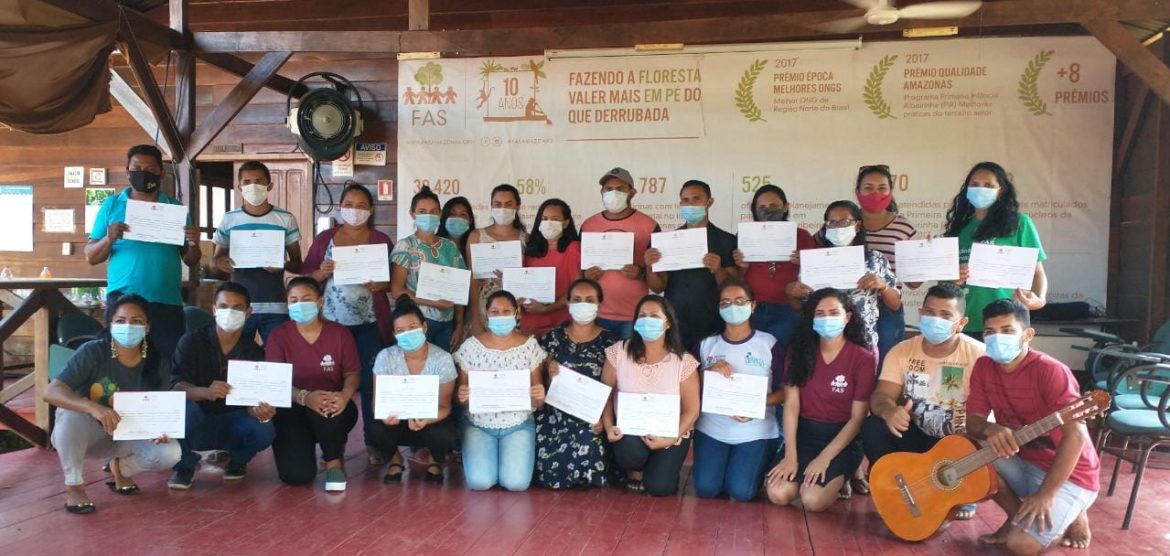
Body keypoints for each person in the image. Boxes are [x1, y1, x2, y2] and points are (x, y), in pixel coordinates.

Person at [968, 300, 1098, 554]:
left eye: (1007, 330)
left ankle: (1072, 511)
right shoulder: (983, 366)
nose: (997, 338)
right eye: (990, 332)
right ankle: (1017, 517)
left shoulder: (1051, 371)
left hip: (1070, 475)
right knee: (969, 449)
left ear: (1028, 334)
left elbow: (1076, 436)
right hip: (1023, 462)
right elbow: (973, 420)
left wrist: (1046, 495)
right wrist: (989, 429)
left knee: (1021, 544)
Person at [44, 294, 181, 514]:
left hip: (128, 435)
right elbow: (52, 391)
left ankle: (121, 468)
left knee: (170, 452)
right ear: (110, 324)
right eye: (120, 320)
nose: (128, 326)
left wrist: (162, 430)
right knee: (69, 415)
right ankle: (75, 485)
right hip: (88, 434)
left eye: (137, 321)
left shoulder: (158, 361)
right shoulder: (93, 351)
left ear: (147, 327)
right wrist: (93, 407)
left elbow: (161, 408)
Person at [860, 283, 985, 520]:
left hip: (959, 443)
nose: (935, 319)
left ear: (961, 322)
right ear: (920, 313)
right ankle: (892, 490)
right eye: (929, 312)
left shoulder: (980, 355)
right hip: (917, 436)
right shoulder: (902, 351)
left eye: (945, 315)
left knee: (976, 437)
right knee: (874, 427)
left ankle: (962, 494)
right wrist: (889, 411)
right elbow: (881, 396)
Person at [85, 144, 202, 358]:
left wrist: (194, 244)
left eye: (150, 168)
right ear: (127, 172)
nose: (143, 173)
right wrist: (108, 239)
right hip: (123, 301)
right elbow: (91, 256)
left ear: (161, 173)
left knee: (168, 362)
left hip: (166, 301)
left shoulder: (175, 208)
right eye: (137, 168)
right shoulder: (111, 205)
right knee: (120, 362)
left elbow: (191, 260)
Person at [765, 288, 875, 512]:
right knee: (778, 494)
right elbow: (791, 407)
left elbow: (858, 418)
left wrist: (824, 458)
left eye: (834, 313)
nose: (827, 319)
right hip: (804, 436)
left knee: (812, 500)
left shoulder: (863, 358)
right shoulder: (798, 352)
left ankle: (844, 476)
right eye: (820, 313)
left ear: (848, 317)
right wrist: (790, 456)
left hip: (841, 440)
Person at [303, 183, 390, 463]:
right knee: (331, 382)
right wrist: (321, 272)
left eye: (361, 206)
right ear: (340, 208)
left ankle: (374, 442)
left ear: (371, 210)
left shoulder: (380, 240)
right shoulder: (325, 239)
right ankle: (334, 444)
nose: (355, 211)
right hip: (330, 327)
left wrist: (381, 284)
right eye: (349, 205)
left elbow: (391, 281)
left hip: (369, 324)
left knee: (370, 383)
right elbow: (306, 278)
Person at [168, 281, 276, 490]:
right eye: (224, 306)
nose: (230, 312)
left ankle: (237, 460)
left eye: (237, 308)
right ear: (214, 309)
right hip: (197, 417)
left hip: (234, 420)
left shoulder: (254, 352)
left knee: (265, 429)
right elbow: (175, 387)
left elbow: (256, 399)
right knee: (174, 413)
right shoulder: (191, 342)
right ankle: (185, 465)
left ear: (248, 313)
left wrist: (259, 411)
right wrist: (204, 392)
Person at [692, 278, 783, 502]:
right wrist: (708, 372)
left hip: (756, 431)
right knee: (706, 489)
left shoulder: (769, 344)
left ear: (753, 305)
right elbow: (687, 385)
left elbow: (786, 391)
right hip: (712, 429)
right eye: (725, 302)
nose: (733, 307)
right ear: (718, 308)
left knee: (742, 492)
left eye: (740, 301)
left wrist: (755, 404)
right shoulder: (706, 344)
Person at [265, 277, 360, 491]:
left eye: (306, 299)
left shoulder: (339, 333)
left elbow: (352, 373)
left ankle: (334, 463)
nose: (300, 304)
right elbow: (275, 382)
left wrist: (344, 396)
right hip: (292, 407)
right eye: (294, 300)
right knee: (296, 476)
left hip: (331, 405)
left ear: (320, 302)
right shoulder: (278, 336)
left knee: (326, 405)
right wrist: (305, 397)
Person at [601, 294, 700, 496]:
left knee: (660, 488)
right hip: (631, 430)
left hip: (669, 433)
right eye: (642, 315)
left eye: (654, 316)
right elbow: (605, 394)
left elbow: (692, 410)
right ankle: (637, 469)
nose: (647, 320)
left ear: (668, 323)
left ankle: (660, 468)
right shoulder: (619, 352)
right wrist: (609, 426)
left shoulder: (684, 361)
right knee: (630, 455)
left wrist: (670, 439)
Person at [454, 290, 547, 491]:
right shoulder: (470, 347)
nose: (501, 316)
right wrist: (462, 395)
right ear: (486, 314)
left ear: (516, 313)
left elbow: (538, 402)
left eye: (507, 311)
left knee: (516, 484)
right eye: (495, 311)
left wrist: (539, 395)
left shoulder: (529, 346)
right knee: (480, 482)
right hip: (478, 424)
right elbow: (460, 400)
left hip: (518, 423)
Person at [945, 162, 1047, 340]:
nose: (980, 189)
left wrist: (1040, 299)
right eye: (975, 184)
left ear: (1001, 191)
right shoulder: (960, 228)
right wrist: (953, 278)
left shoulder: (1020, 223)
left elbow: (1037, 272)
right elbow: (947, 283)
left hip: (1008, 321)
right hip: (967, 319)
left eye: (988, 185)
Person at [534, 278, 618, 489]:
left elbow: (615, 387)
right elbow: (537, 381)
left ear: (599, 304)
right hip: (555, 412)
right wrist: (548, 373)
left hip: (592, 415)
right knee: (548, 461)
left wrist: (605, 420)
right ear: (568, 303)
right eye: (577, 299)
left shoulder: (611, 342)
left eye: (589, 300)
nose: (583, 304)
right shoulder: (553, 337)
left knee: (589, 444)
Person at [211, 161, 303, 343]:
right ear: (240, 187)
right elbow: (214, 263)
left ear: (270, 185)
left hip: (275, 306)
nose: (253, 186)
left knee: (277, 356)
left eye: (259, 181)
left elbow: (298, 265)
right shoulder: (229, 219)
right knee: (237, 355)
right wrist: (219, 263)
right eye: (247, 182)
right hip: (238, 306)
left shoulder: (285, 218)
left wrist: (283, 265)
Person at [369, 295, 458, 485]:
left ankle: (435, 462)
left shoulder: (442, 359)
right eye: (400, 330)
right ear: (394, 334)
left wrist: (426, 419)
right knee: (375, 428)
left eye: (412, 327)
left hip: (429, 421)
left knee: (445, 432)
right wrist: (385, 416)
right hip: (397, 421)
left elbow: (445, 407)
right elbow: (377, 404)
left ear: (424, 327)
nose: (407, 334)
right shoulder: (385, 357)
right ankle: (395, 461)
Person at [790, 200, 900, 349]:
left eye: (844, 222)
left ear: (858, 225)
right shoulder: (814, 260)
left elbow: (894, 305)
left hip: (863, 341)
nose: (838, 227)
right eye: (832, 223)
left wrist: (884, 287)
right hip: (820, 342)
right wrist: (793, 294)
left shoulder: (875, 259)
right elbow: (800, 307)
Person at [645, 180, 738, 351]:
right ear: (680, 203)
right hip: (676, 322)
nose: (691, 204)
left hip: (713, 323)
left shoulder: (727, 240)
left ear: (709, 202)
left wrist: (718, 270)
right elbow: (658, 287)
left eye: (696, 198)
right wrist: (650, 267)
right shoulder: (668, 241)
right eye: (686, 200)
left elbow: (733, 287)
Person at [580, 167, 661, 338]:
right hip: (594, 314)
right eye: (608, 189)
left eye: (620, 189)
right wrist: (585, 276)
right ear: (601, 192)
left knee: (630, 356)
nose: (613, 193)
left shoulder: (649, 225)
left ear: (632, 192)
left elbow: (659, 284)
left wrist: (641, 273)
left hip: (633, 316)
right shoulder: (588, 225)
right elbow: (578, 273)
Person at [733, 184, 816, 348]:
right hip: (751, 308)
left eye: (773, 206)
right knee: (753, 353)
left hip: (788, 308)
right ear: (754, 210)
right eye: (762, 207)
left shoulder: (802, 236)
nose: (768, 211)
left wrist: (806, 261)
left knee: (780, 354)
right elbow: (734, 280)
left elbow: (815, 275)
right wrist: (742, 266)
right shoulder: (744, 236)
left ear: (785, 207)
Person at [390, 186, 469, 352]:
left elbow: (459, 290)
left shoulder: (450, 247)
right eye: (422, 211)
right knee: (420, 365)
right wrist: (434, 302)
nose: (428, 216)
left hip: (447, 323)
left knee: (443, 364)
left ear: (440, 214)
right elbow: (397, 291)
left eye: (433, 211)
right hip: (417, 322)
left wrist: (459, 324)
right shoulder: (405, 246)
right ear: (412, 214)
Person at [856, 165, 918, 365]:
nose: (875, 193)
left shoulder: (904, 227)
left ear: (891, 191)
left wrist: (928, 256)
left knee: (887, 366)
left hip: (888, 307)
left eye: (882, 188)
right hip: (851, 307)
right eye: (868, 188)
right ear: (857, 192)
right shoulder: (844, 223)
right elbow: (820, 252)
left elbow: (914, 283)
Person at [466, 184, 528, 336]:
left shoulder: (526, 239)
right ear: (491, 206)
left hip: (514, 308)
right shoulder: (477, 236)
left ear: (518, 207)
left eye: (508, 204)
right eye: (498, 204)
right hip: (483, 307)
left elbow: (529, 277)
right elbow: (472, 280)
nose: (503, 209)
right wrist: (475, 317)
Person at [521, 198, 582, 337]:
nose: (548, 223)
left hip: (560, 324)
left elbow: (576, 290)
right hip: (530, 323)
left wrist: (546, 309)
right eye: (544, 218)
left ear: (565, 223)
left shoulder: (572, 248)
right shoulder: (530, 249)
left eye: (555, 219)